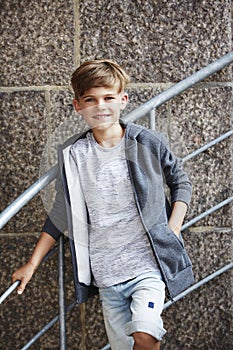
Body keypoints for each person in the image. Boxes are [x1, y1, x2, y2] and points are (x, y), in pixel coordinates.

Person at [12, 59, 194, 350]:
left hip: (148, 267)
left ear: (123, 100)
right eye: (91, 100)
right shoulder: (74, 155)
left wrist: (173, 227)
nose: (101, 106)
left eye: (109, 98)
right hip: (107, 277)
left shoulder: (146, 142)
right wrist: (31, 265)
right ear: (78, 106)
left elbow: (181, 182)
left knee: (146, 336)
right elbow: (61, 212)